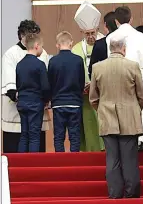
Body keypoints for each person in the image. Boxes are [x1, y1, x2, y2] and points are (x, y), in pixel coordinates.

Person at [89, 33, 143, 199]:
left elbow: (93, 97)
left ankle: (114, 194)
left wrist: (102, 110)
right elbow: (141, 95)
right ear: (124, 49)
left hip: (107, 116)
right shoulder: (132, 66)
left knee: (112, 159)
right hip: (130, 117)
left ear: (109, 49)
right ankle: (131, 194)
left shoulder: (97, 67)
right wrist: (135, 109)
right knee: (129, 159)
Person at [106, 6, 143, 151]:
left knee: (121, 106)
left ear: (116, 21)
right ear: (131, 18)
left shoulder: (110, 37)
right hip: (138, 73)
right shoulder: (141, 37)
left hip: (117, 74)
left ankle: (123, 137)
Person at [2, 20, 51, 153]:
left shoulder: (43, 53)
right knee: (26, 139)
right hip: (19, 107)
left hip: (29, 103)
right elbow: (10, 83)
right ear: (22, 35)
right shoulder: (11, 53)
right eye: (31, 34)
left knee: (31, 137)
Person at [73, 1, 105, 151]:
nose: (91, 36)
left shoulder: (106, 44)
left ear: (97, 29)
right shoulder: (76, 49)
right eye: (87, 33)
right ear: (81, 33)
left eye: (93, 32)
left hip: (103, 95)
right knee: (88, 125)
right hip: (85, 97)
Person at [48, 31, 85, 152]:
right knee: (75, 136)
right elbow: (81, 82)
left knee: (59, 136)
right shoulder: (78, 60)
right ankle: (74, 164)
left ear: (57, 45)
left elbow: (50, 83)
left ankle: (60, 163)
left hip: (58, 103)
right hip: (74, 102)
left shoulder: (53, 61)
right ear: (71, 43)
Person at [16, 33, 50, 152]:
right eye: (41, 46)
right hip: (35, 103)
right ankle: (32, 166)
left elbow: (18, 84)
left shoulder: (19, 64)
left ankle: (21, 166)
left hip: (22, 102)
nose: (41, 49)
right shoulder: (39, 65)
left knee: (24, 135)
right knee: (34, 136)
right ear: (36, 45)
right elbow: (45, 87)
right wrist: (46, 100)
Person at [88, 11, 118, 78]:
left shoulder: (99, 44)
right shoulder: (125, 41)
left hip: (103, 83)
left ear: (105, 25)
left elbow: (92, 70)